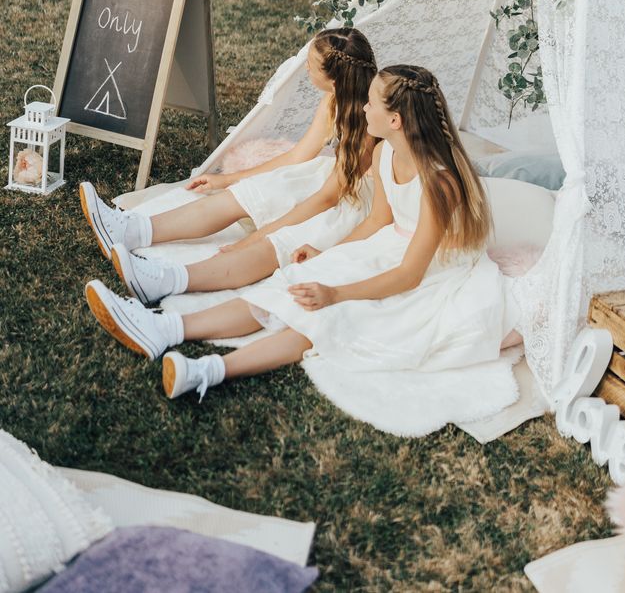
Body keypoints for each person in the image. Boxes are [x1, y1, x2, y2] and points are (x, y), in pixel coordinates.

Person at [84, 65, 518, 404]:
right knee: (290, 285)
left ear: (397, 119)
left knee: (324, 317)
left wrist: (339, 293)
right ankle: (167, 327)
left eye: (371, 104)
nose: (363, 109)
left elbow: (409, 274)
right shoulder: (385, 152)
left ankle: (212, 370)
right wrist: (328, 251)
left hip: (429, 271)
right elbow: (376, 223)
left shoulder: (439, 182)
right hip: (389, 247)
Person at [78, 27, 378, 296]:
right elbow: (298, 155)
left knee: (282, 235)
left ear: (333, 76)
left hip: (355, 200)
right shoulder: (333, 100)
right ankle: (133, 229)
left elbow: (326, 198)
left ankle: (174, 278)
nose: (306, 71)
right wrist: (229, 179)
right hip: (331, 180)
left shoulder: (367, 126)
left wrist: (255, 237)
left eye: (311, 66)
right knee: (258, 188)